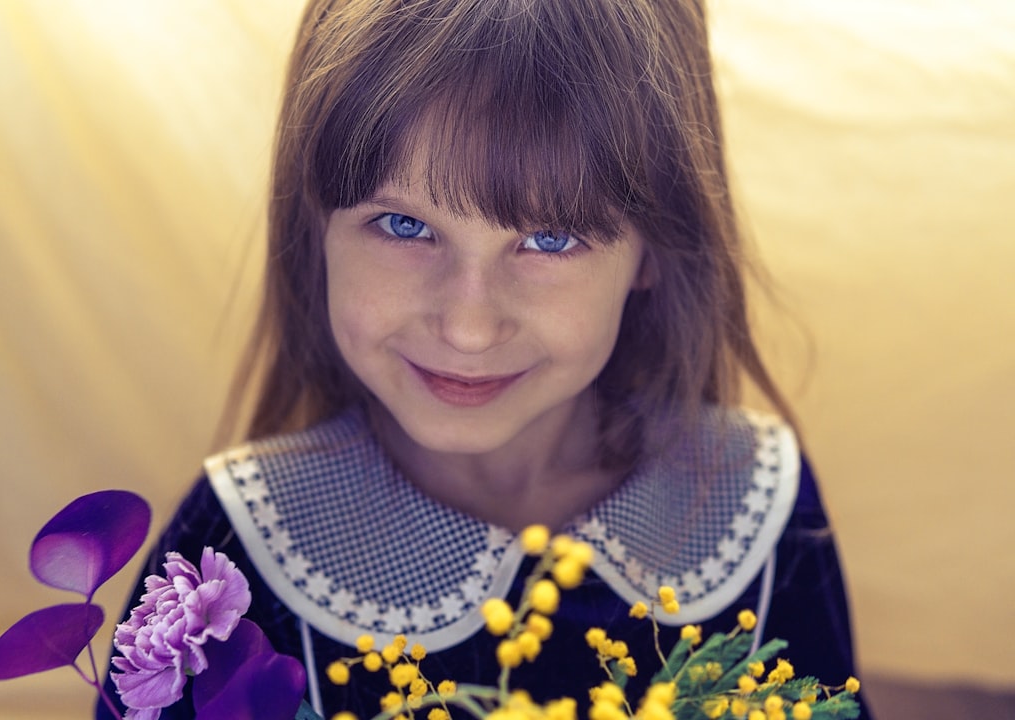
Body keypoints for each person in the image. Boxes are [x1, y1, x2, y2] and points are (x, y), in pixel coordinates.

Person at [100, 0, 871, 717]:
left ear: (654, 251)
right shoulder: (231, 550)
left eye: (550, 240)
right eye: (404, 227)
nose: (468, 327)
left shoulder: (755, 499)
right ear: (318, 219)